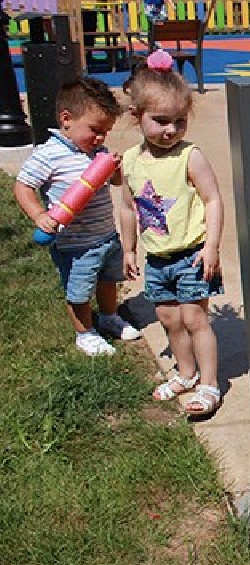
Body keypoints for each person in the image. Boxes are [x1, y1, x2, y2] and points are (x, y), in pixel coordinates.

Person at [119, 49, 224, 416]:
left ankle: (209, 384)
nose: (171, 130)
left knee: (195, 319)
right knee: (169, 319)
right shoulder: (130, 161)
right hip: (157, 257)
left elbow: (212, 199)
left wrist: (212, 246)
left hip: (192, 254)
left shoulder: (189, 156)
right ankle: (186, 373)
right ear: (136, 116)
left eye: (179, 121)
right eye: (161, 121)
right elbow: (128, 207)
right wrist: (129, 249)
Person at [14, 76, 141, 357]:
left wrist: (114, 169)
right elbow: (23, 186)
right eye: (95, 130)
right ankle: (84, 333)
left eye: (106, 132)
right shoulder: (48, 154)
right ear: (66, 119)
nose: (100, 138)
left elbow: (116, 183)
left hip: (106, 235)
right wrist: (39, 215)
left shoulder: (98, 152)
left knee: (109, 280)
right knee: (79, 290)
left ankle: (108, 317)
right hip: (74, 243)